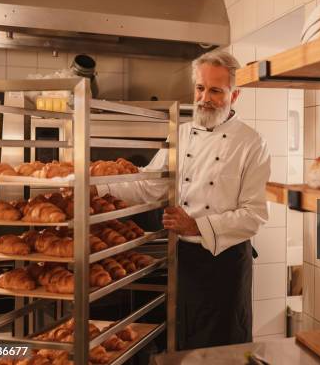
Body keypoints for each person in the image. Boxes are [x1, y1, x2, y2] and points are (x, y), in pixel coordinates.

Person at [95, 50, 271, 350]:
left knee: (223, 349)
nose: (205, 98)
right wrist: (94, 188)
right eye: (200, 88)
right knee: (184, 344)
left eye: (216, 90)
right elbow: (149, 185)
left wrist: (195, 226)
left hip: (225, 263)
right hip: (183, 263)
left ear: (235, 95)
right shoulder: (181, 135)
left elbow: (253, 215)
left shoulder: (251, 143)